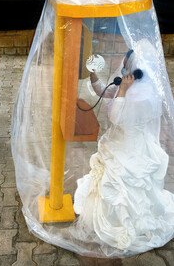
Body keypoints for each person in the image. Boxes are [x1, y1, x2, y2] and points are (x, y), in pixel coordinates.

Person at [73, 41, 174, 252]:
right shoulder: (128, 85)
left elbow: (116, 117)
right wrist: (93, 74)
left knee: (123, 189)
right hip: (117, 143)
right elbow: (103, 91)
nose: (124, 70)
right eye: (124, 66)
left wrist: (124, 91)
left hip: (131, 151)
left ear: (138, 70)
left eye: (127, 67)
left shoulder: (143, 96)